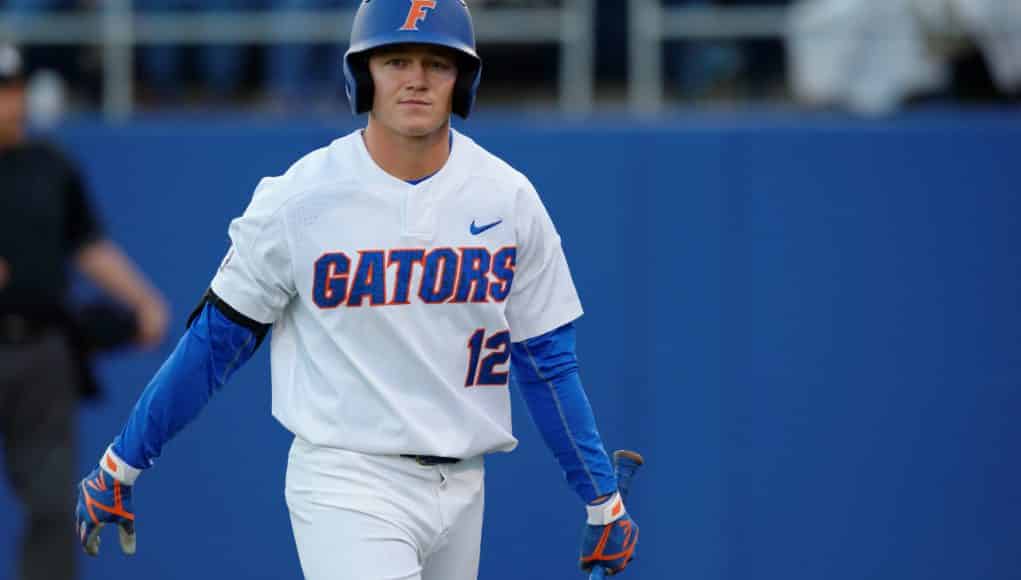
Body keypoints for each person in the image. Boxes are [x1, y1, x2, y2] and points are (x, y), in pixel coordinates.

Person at [74, 1, 639, 578]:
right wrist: (124, 461)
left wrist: (601, 498)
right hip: (346, 477)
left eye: (436, 63)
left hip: (465, 481)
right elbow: (214, 345)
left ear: (462, 79)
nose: (416, 78)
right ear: (363, 73)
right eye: (396, 59)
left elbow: (547, 365)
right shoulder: (298, 200)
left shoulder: (509, 199)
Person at [0, 43, 169, 580]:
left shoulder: (50, 166)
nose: (7, 103)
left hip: (42, 351)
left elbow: (86, 244)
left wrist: (142, 300)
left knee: (52, 505)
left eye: (12, 90)